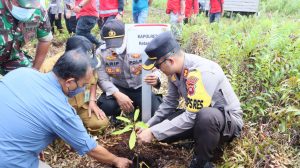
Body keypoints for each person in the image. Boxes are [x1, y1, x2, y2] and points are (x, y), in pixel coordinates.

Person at [0, 50, 132, 168]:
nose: (84, 88)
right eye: (83, 85)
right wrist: (116, 160)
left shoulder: (22, 72)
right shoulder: (61, 111)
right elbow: (90, 148)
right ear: (69, 82)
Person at [138, 31, 243, 168]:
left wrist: (153, 133)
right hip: (196, 114)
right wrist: (149, 126)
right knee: (165, 124)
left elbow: (192, 116)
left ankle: (202, 162)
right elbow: (169, 103)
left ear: (170, 61)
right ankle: (198, 137)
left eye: (158, 66)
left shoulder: (202, 71)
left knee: (206, 116)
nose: (157, 69)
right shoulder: (174, 71)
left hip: (226, 121)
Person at [40, 35, 109, 134]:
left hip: (82, 105)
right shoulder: (47, 68)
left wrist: (92, 100)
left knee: (100, 123)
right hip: (59, 110)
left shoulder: (92, 64)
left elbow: (93, 81)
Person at [96, 19, 162, 119]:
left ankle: (136, 107)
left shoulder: (141, 45)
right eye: (110, 42)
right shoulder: (101, 52)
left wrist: (156, 78)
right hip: (118, 88)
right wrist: (117, 94)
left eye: (118, 41)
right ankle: (117, 115)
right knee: (106, 106)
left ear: (126, 36)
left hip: (140, 88)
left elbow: (156, 68)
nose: (114, 47)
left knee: (156, 111)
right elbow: (102, 79)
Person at [0, 0, 52, 75]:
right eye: (20, 5)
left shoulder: (38, 11)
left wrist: (35, 69)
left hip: (12, 57)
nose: (26, 10)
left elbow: (45, 40)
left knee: (28, 79)